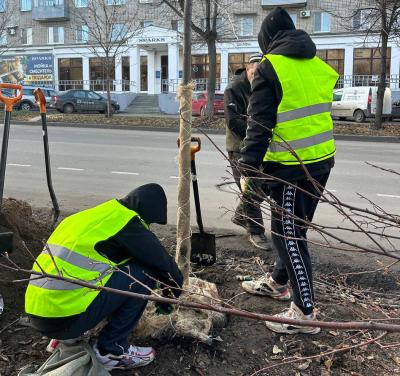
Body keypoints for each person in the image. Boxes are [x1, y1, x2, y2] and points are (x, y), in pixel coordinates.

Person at [239, 7, 338, 334]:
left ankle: (305, 314)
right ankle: (280, 283)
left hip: (292, 169)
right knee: (294, 233)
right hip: (321, 162)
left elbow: (259, 124)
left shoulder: (270, 67)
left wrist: (248, 167)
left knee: (287, 236)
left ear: (267, 39)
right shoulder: (319, 66)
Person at [25, 184, 183, 370]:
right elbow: (168, 269)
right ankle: (112, 350)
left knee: (109, 272)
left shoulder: (90, 216)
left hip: (38, 312)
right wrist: (169, 296)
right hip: (64, 320)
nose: (148, 227)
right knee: (143, 274)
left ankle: (66, 339)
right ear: (146, 211)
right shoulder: (127, 223)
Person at [224, 54, 270, 251]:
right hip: (239, 147)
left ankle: (240, 215)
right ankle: (255, 231)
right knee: (249, 188)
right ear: (248, 69)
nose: (257, 76)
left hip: (261, 145)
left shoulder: (265, 85)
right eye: (255, 72)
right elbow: (233, 121)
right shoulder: (234, 88)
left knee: (265, 185)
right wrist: (255, 135)